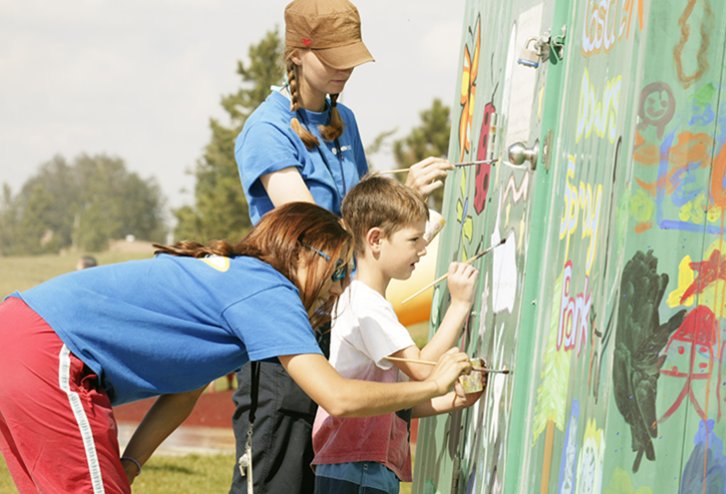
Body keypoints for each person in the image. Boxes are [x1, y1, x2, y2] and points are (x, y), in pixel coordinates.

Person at [0, 202, 473, 493]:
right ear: (307, 252)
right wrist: (430, 383)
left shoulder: (239, 280)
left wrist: (131, 464)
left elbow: (185, 389)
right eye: (338, 272)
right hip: (46, 353)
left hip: (19, 338)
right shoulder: (269, 291)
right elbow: (339, 398)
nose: (338, 287)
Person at [232, 0, 454, 491]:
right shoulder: (266, 131)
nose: (345, 69)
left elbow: (361, 215)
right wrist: (404, 204)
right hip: (288, 323)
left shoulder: (344, 120)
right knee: (278, 471)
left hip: (338, 322)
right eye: (332, 57)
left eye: (351, 57)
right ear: (297, 54)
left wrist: (402, 202)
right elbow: (314, 236)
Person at [311, 175, 483, 494]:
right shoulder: (366, 304)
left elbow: (393, 403)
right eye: (415, 240)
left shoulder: (365, 300)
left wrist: (452, 400)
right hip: (359, 465)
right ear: (376, 239)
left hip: (361, 463)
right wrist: (459, 305)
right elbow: (421, 371)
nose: (422, 249)